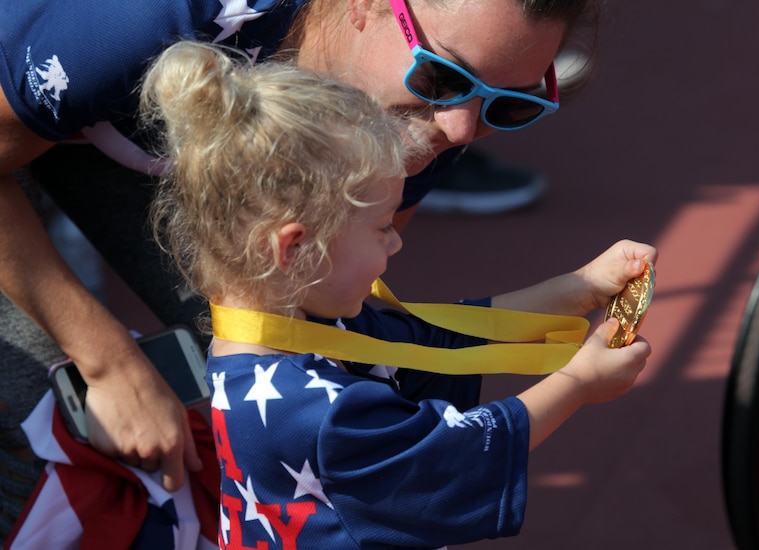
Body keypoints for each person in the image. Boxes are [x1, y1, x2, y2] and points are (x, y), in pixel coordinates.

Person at [0, 0, 600, 540]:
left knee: (272, 350)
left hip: (145, 108)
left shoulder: (432, 118)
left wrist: (572, 296)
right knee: (39, 437)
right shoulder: (150, 16)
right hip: (54, 86)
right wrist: (108, 362)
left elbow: (358, 324)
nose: (461, 128)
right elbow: (434, 458)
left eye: (511, 105)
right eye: (443, 75)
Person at [144, 40, 652, 548]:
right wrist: (579, 383)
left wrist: (580, 288)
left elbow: (435, 340)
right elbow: (453, 455)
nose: (397, 239)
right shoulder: (312, 410)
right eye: (382, 227)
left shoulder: (283, 333)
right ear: (295, 248)